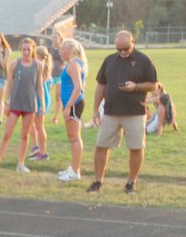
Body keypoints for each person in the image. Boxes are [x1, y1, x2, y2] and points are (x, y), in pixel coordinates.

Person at [87, 31, 158, 194]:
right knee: (101, 146)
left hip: (134, 112)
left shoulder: (144, 60)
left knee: (136, 147)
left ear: (133, 42)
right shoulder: (109, 60)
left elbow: (153, 85)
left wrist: (136, 87)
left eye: (125, 48)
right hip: (111, 111)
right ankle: (98, 182)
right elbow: (101, 86)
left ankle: (131, 183)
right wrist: (95, 110)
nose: (123, 52)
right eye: (119, 49)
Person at [0, 37, 44, 175]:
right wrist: (7, 101)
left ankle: (21, 164)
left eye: (28, 50)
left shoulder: (38, 65)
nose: (26, 52)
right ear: (20, 50)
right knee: (7, 134)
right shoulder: (14, 64)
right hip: (15, 104)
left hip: (30, 105)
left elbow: (39, 86)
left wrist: (41, 104)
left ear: (32, 50)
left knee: (25, 135)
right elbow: (9, 85)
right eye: (23, 49)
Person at [57, 39, 88, 182]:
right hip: (73, 103)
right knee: (73, 137)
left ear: (70, 50)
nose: (60, 51)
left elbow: (78, 87)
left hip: (73, 104)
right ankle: (73, 167)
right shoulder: (73, 64)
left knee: (75, 138)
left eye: (62, 48)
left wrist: (68, 105)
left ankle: (75, 171)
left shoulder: (74, 65)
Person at [28, 45, 53, 162]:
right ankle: (38, 148)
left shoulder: (39, 66)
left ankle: (43, 152)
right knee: (34, 125)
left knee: (39, 126)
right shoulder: (46, 66)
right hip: (42, 98)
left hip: (38, 98)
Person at [49, 31, 65, 124]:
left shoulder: (62, 48)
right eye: (53, 37)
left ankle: (55, 117)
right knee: (46, 94)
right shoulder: (50, 48)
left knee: (57, 96)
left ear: (60, 38)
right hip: (50, 74)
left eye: (56, 37)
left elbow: (64, 59)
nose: (54, 39)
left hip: (59, 74)